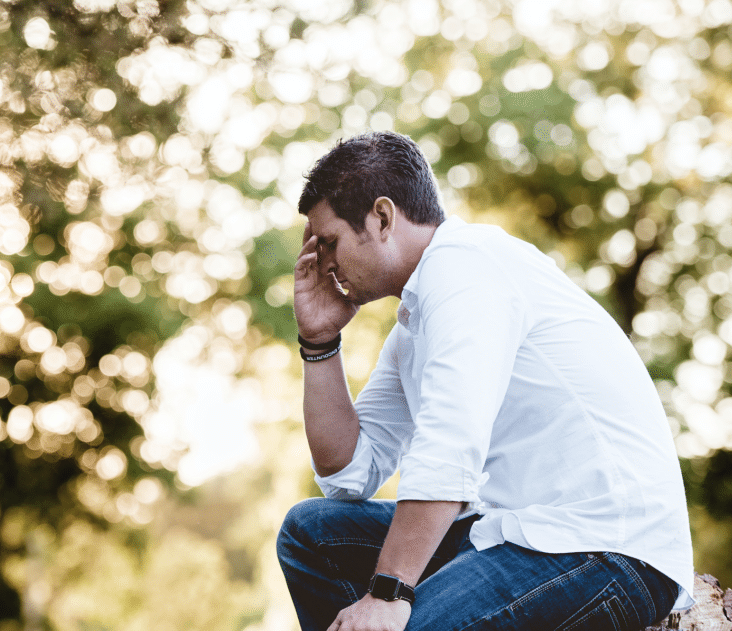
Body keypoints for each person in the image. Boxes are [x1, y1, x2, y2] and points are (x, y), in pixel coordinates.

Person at [277, 131, 694, 631]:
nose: (324, 263)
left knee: (401, 618)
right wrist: (319, 342)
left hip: (603, 549)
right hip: (516, 535)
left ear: (382, 218)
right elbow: (348, 474)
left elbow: (451, 447)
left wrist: (388, 593)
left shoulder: (466, 267)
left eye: (330, 242)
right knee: (311, 533)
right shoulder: (416, 322)